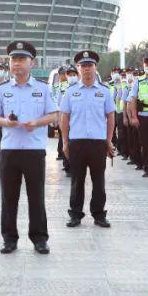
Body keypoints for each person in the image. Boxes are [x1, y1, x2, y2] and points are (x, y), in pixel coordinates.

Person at [0, 41, 58, 254]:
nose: (16, 64)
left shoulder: (42, 89)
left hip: (34, 150)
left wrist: (37, 123)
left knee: (36, 196)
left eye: (21, 59)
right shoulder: (2, 90)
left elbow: (54, 115)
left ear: (32, 62)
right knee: (9, 197)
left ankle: (39, 238)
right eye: (13, 60)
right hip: (9, 149)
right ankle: (9, 239)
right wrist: (6, 122)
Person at [60, 49, 115, 229]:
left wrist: (108, 140)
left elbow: (111, 117)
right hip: (77, 143)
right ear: (78, 68)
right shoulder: (71, 92)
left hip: (98, 143)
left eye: (90, 65)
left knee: (99, 180)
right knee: (77, 180)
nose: (87, 69)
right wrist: (66, 142)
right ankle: (75, 214)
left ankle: (99, 214)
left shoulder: (105, 91)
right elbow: (64, 118)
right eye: (83, 66)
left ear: (95, 67)